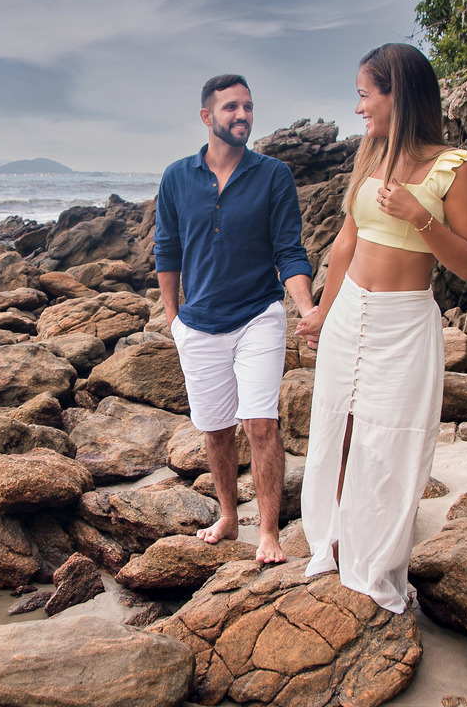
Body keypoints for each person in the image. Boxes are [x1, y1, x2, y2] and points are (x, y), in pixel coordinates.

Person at [294, 44, 467, 612]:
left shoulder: (454, 167)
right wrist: (323, 312)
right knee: (338, 430)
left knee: (389, 443)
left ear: (397, 94)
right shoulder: (370, 154)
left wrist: (419, 216)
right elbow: (345, 243)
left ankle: (374, 564)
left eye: (364, 95)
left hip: (404, 323)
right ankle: (333, 544)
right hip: (349, 312)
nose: (358, 108)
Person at [154, 73, 317, 564]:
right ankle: (228, 516)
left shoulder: (273, 175)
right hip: (198, 323)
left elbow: (289, 251)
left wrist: (307, 307)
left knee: (260, 424)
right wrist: (173, 319)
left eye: (247, 106)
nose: (242, 114)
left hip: (258, 315)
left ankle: (268, 532)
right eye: (231, 107)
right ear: (207, 116)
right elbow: (167, 250)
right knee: (217, 429)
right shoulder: (176, 177)